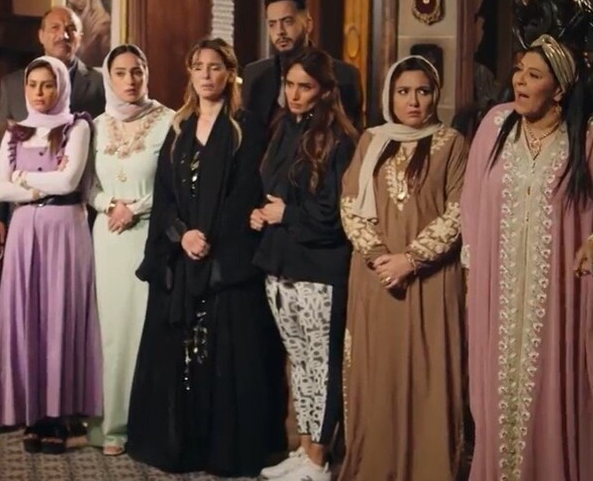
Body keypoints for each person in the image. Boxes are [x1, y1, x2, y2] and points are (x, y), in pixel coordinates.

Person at [128, 38, 287, 477]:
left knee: (225, 355)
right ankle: (184, 444)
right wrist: (182, 235)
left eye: (214, 67)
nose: (205, 75)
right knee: (179, 357)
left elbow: (245, 194)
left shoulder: (246, 127)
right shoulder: (178, 127)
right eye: (198, 66)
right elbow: (164, 193)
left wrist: (211, 240)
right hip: (182, 257)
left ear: (229, 73)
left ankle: (223, 449)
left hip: (226, 262)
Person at [461, 34, 593, 481]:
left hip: (557, 296)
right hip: (496, 291)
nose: (519, 80)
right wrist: (472, 274)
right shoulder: (496, 125)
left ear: (558, 89)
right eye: (519, 70)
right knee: (496, 391)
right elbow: (471, 202)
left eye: (534, 75)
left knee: (551, 386)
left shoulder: (583, 137)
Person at [339, 56, 468, 480]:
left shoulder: (453, 143)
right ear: (389, 96)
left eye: (423, 91)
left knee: (429, 377)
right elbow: (350, 205)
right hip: (376, 279)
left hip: (430, 279)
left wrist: (410, 260)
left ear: (436, 94)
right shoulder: (371, 140)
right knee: (379, 376)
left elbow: (459, 212)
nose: (413, 101)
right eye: (403, 91)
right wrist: (380, 257)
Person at [250, 48, 357, 481]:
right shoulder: (284, 128)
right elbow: (274, 191)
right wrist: (262, 213)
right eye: (290, 85)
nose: (294, 94)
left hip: (319, 268)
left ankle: (319, 457)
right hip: (280, 263)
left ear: (326, 91)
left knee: (320, 362)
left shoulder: (340, 140)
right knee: (299, 360)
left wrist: (286, 214)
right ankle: (305, 447)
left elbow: (335, 215)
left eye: (305, 87)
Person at [0, 55, 103, 454]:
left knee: (59, 316)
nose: (40, 92)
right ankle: (32, 413)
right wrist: (38, 185)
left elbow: (69, 181)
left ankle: (60, 414)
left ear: (61, 87)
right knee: (27, 316)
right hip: (24, 231)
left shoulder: (77, 126)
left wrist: (24, 180)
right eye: (33, 85)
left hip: (64, 228)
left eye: (48, 84)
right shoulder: (15, 131)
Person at [85, 44, 174, 456]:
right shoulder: (96, 126)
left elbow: (173, 185)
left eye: (137, 71)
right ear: (109, 78)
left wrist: (134, 208)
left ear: (147, 73)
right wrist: (109, 205)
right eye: (120, 73)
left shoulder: (169, 121)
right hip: (108, 238)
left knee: (144, 327)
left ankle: (146, 423)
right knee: (110, 332)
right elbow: (88, 184)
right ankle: (111, 424)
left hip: (148, 236)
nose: (130, 80)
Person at [0, 7, 106, 257]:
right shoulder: (14, 85)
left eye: (71, 29)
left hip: (80, 212)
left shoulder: (100, 84)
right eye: (55, 28)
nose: (63, 35)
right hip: (24, 211)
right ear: (41, 35)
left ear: (80, 37)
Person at [242, 0, 363, 133]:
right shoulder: (254, 74)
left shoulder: (343, 75)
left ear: (308, 24)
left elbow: (353, 135)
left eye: (287, 22)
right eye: (272, 24)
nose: (280, 31)